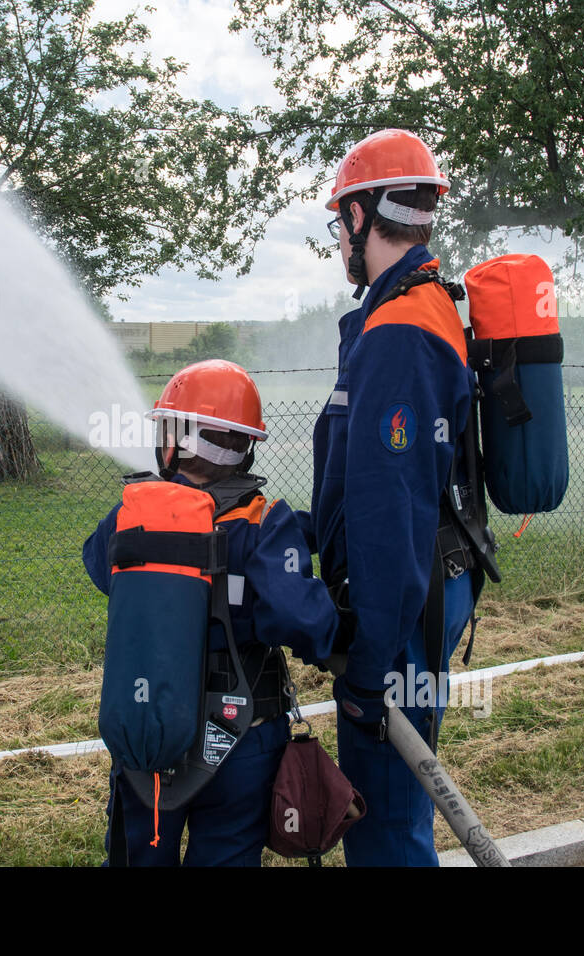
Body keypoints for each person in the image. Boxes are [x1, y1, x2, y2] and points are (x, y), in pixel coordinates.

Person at [305, 129, 484, 866]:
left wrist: (371, 665)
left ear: (360, 216)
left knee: (383, 826)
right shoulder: (428, 302)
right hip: (426, 589)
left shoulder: (397, 332)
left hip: (398, 611)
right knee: (399, 809)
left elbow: (389, 514)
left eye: (340, 219)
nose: (340, 236)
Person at [83, 359, 338, 866]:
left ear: (177, 440)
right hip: (242, 738)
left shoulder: (131, 512)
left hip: (149, 727)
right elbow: (304, 621)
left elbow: (98, 566)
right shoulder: (266, 522)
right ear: (244, 446)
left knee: (141, 855)